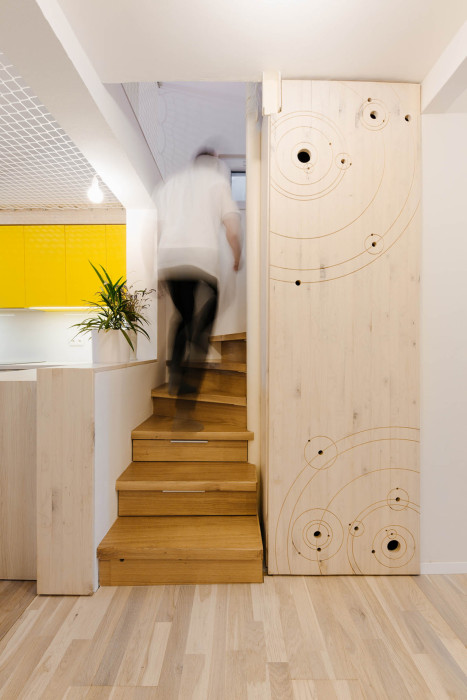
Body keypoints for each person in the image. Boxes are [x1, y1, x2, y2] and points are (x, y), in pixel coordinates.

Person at [156, 149, 242, 430]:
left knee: (184, 317)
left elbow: (158, 230)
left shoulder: (170, 184)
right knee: (200, 333)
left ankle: (175, 371)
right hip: (202, 262)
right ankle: (183, 411)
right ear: (215, 164)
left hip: (170, 261)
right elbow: (232, 228)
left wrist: (159, 272)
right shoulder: (217, 182)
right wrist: (237, 255)